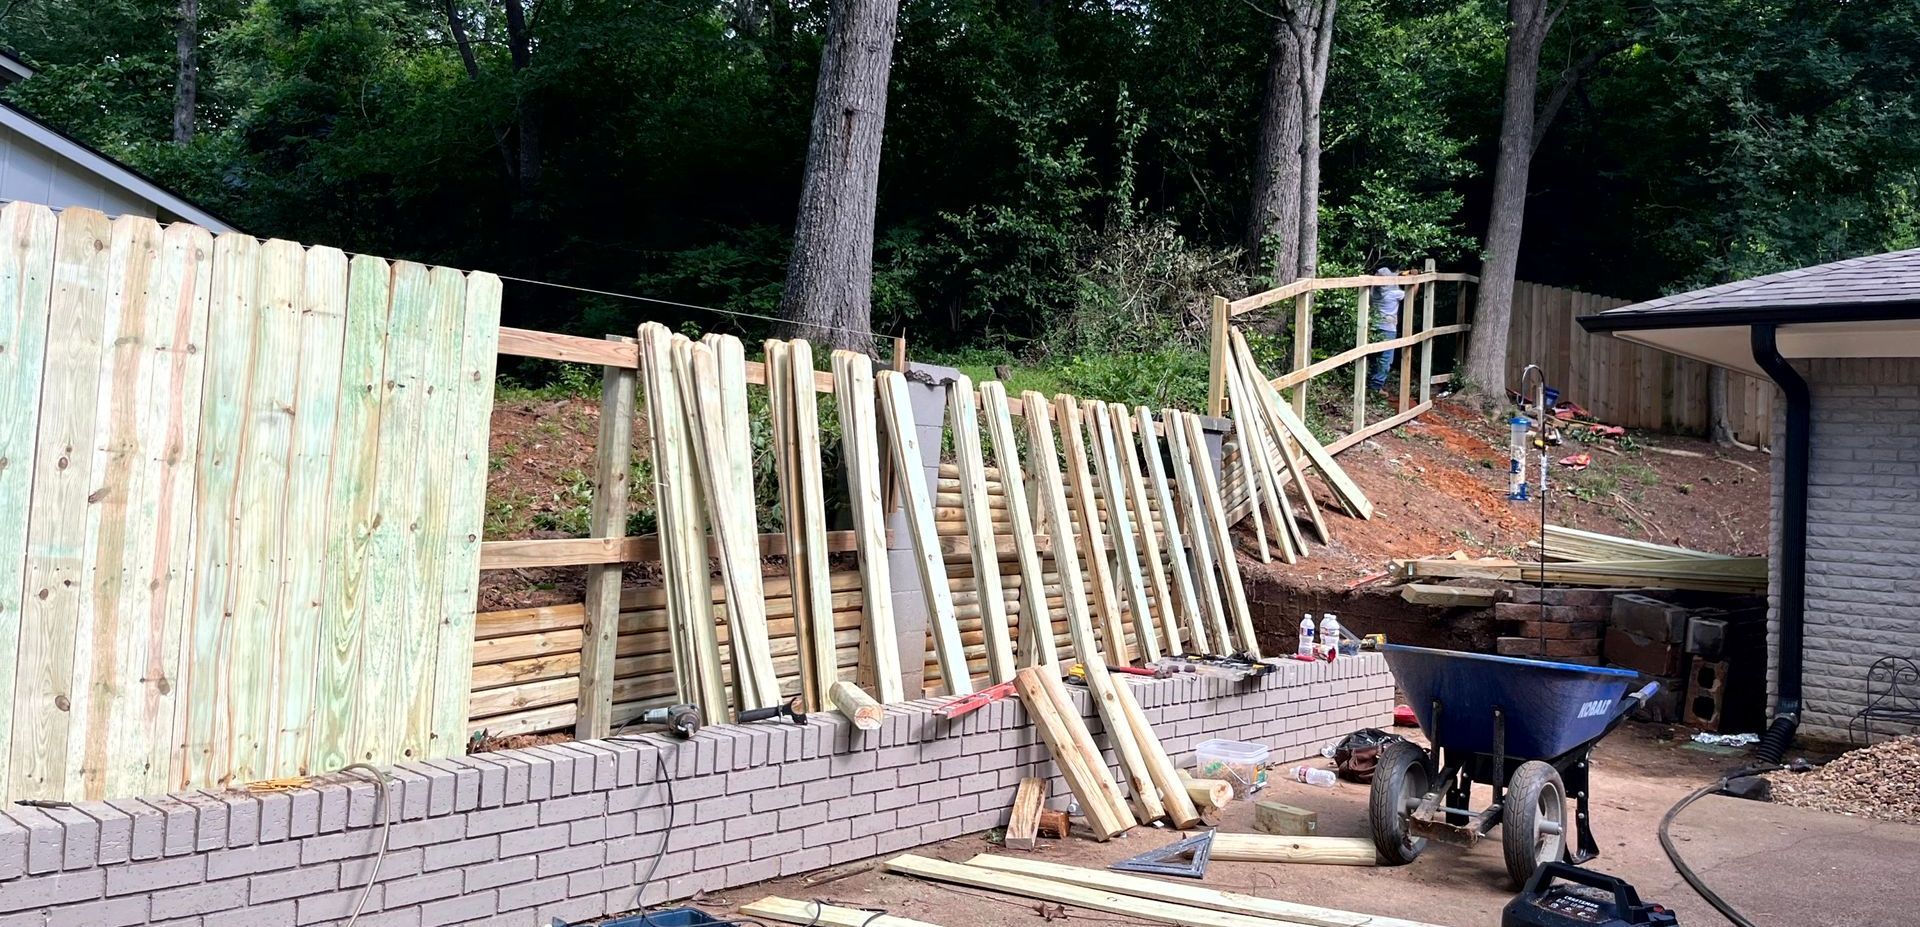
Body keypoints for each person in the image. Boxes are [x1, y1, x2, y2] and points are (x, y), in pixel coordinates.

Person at [1366, 264, 1405, 392]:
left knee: (1374, 356)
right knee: (1386, 359)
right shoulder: (1394, 293)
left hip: (1374, 326)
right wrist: (1415, 283)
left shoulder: (1373, 291)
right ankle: (1376, 386)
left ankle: (1371, 383)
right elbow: (1411, 295)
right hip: (1388, 328)